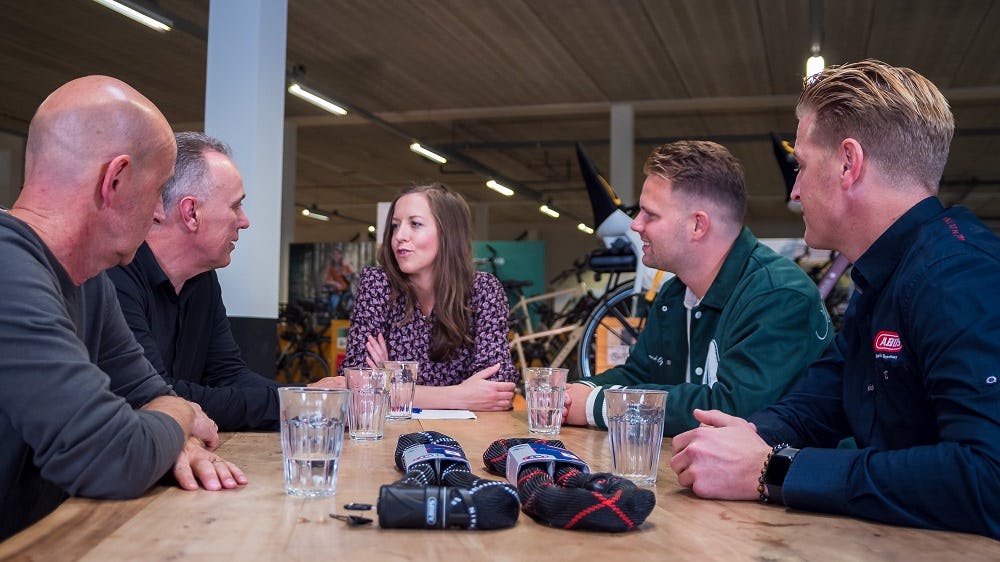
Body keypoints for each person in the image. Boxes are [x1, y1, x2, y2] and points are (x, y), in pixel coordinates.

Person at [669, 60, 1000, 539]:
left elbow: (989, 477)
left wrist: (776, 470)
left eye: (801, 166)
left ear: (848, 163)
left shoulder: (957, 277)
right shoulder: (884, 277)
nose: (795, 190)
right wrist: (745, 438)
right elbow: (822, 399)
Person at [0, 76, 245, 540]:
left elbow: (149, 393)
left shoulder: (89, 279)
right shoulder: (7, 268)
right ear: (114, 181)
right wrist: (180, 421)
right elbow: (112, 455)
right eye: (157, 191)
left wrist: (165, 424)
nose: (157, 212)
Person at [564, 140, 832, 436]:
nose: (636, 225)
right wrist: (574, 393)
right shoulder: (675, 293)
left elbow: (733, 410)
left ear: (698, 225)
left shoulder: (779, 295)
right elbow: (639, 374)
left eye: (650, 214)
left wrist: (597, 405)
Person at [108, 132, 344, 432]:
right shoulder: (116, 277)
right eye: (235, 206)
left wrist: (306, 398)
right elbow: (158, 396)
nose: (244, 221)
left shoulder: (202, 280)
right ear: (191, 213)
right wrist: (299, 402)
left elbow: (228, 375)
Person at [344, 183, 517, 410]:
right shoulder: (378, 284)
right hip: (395, 430)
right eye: (395, 226)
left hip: (469, 430)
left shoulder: (483, 289)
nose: (399, 236)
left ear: (448, 233)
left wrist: (390, 383)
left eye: (415, 224)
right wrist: (459, 396)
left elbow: (498, 388)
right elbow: (356, 384)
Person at [323, 245, 356, 317]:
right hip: (337, 292)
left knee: (350, 306)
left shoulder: (345, 264)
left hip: (346, 292)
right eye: (334, 254)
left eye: (337, 254)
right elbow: (326, 280)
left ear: (341, 255)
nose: (336, 256)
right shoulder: (331, 267)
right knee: (333, 305)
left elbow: (353, 274)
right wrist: (334, 283)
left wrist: (349, 276)